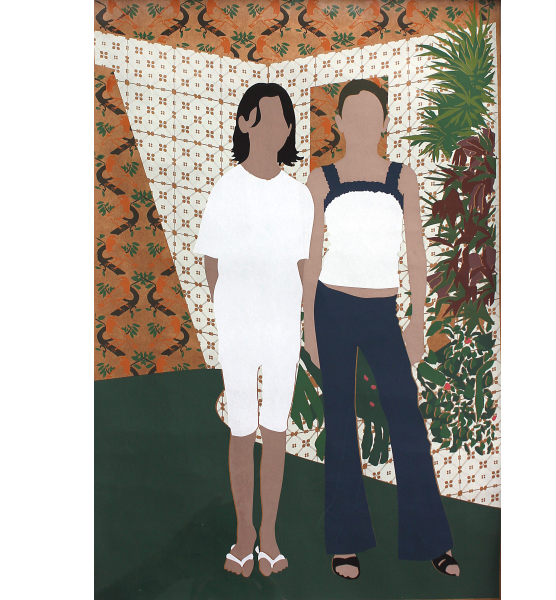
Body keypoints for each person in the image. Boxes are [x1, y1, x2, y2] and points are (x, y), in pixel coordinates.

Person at [302, 79, 460, 580]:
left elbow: (415, 251)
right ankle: (345, 544)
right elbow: (310, 256)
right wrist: (309, 322)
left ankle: (432, 540)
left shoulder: (402, 178)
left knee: (406, 419)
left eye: (374, 115)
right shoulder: (321, 181)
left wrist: (417, 319)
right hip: (332, 308)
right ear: (339, 123)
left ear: (386, 122)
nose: (364, 124)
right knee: (339, 422)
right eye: (354, 115)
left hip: (383, 311)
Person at [193, 83, 314, 578]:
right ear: (245, 122)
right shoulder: (227, 189)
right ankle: (244, 534)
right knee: (242, 426)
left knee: (276, 426)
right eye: (267, 116)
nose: (278, 127)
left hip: (283, 327)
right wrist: (230, 310)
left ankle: (270, 535)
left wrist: (302, 318)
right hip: (239, 327)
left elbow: (306, 266)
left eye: (284, 119)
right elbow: (212, 261)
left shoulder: (298, 196)